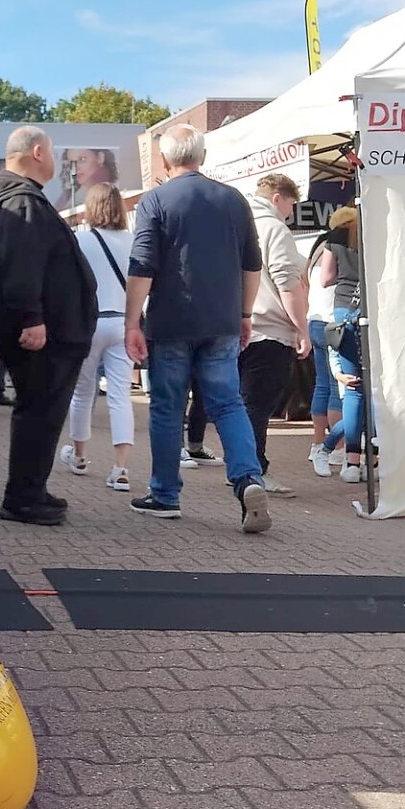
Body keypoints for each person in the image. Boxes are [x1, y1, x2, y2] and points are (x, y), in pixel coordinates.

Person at [123, 124, 271, 533]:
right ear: (202, 156)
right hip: (222, 321)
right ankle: (248, 481)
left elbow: (142, 266)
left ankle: (165, 494)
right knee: (227, 403)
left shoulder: (155, 201)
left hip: (171, 321)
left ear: (165, 160)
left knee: (168, 408)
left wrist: (132, 321)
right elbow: (252, 266)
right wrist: (244, 313)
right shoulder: (234, 200)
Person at [0, 126, 98, 526]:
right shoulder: (22, 202)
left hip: (46, 331)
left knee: (39, 412)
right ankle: (24, 496)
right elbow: (23, 264)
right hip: (46, 336)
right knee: (40, 412)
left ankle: (30, 490)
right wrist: (33, 318)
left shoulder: (7, 200)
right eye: (53, 153)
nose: (56, 161)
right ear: (37, 151)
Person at [61, 182, 135, 492]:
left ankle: (79, 456)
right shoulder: (133, 241)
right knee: (120, 395)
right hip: (122, 322)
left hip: (89, 323)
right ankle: (121, 468)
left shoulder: (80, 240)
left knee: (82, 392)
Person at [240, 174, 310, 494]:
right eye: (292, 205)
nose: (292, 214)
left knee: (241, 403)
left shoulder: (236, 223)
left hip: (236, 325)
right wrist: (302, 328)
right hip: (268, 329)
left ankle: (243, 466)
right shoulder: (274, 229)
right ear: (278, 198)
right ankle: (254, 469)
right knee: (258, 404)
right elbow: (286, 281)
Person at [318, 206, 365, 483]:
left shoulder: (336, 235)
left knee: (354, 387)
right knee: (375, 390)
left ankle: (351, 462)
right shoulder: (381, 229)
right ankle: (362, 456)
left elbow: (325, 278)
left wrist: (346, 275)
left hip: (344, 310)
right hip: (376, 309)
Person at [305, 230, 344, 476]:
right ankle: (338, 448)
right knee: (336, 388)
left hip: (315, 319)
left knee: (322, 385)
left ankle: (318, 443)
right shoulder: (340, 250)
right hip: (332, 321)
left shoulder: (317, 252)